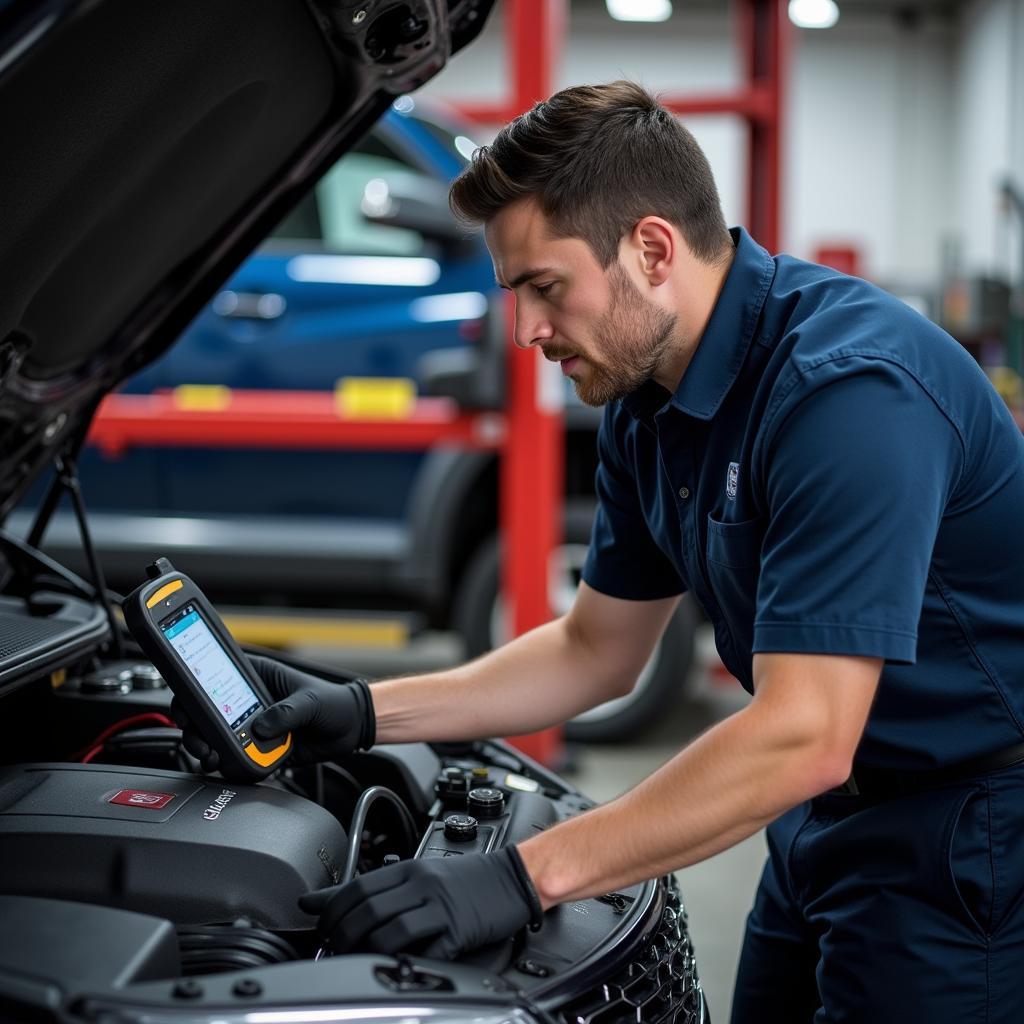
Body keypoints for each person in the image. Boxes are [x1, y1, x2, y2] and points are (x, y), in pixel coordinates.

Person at [181, 81, 1024, 1021]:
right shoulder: (645, 401)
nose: (528, 330)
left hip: (967, 838)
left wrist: (520, 878)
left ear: (652, 249)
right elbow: (597, 649)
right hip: (819, 821)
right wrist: (361, 711)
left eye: (546, 287)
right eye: (514, 293)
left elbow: (803, 732)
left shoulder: (850, 396)